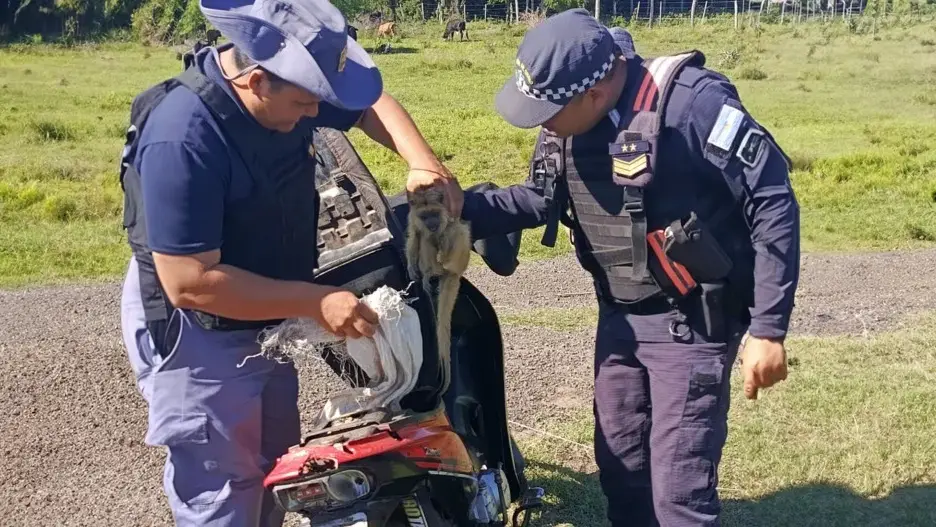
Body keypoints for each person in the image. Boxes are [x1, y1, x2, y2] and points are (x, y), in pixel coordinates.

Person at [117, 0, 461, 525]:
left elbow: (368, 105)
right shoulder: (183, 138)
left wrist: (422, 162)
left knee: (275, 468)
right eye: (304, 106)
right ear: (257, 81)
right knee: (224, 486)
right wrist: (315, 300)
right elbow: (189, 282)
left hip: (264, 312)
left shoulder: (292, 89)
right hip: (197, 327)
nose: (314, 117)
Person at [459, 9, 800, 527]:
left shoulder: (693, 104)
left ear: (593, 94)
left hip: (692, 322)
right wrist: (453, 207)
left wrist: (769, 329)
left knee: (678, 493)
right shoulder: (565, 118)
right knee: (622, 471)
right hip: (618, 318)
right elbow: (538, 198)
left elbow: (772, 198)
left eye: (548, 110)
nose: (541, 122)